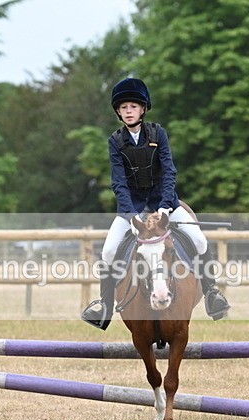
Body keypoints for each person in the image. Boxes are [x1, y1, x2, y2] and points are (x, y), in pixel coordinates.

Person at [81, 77, 231, 330]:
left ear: (143, 109)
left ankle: (212, 294)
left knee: (200, 240)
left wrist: (164, 206)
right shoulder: (115, 142)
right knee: (107, 251)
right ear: (118, 111)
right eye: (124, 107)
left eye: (133, 106)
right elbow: (119, 183)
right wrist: (131, 216)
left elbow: (169, 172)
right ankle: (104, 306)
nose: (129, 111)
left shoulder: (158, 134)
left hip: (166, 204)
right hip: (134, 208)